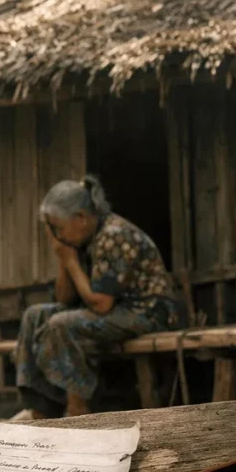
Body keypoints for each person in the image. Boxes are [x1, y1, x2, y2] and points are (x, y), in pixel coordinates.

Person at [15, 176, 180, 418]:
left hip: (147, 312)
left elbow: (101, 304)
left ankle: (78, 409)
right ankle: (40, 408)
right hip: (113, 311)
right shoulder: (82, 239)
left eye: (59, 228)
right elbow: (65, 299)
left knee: (62, 324)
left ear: (81, 218)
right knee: (34, 316)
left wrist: (71, 261)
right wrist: (64, 258)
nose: (58, 236)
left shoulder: (114, 235)